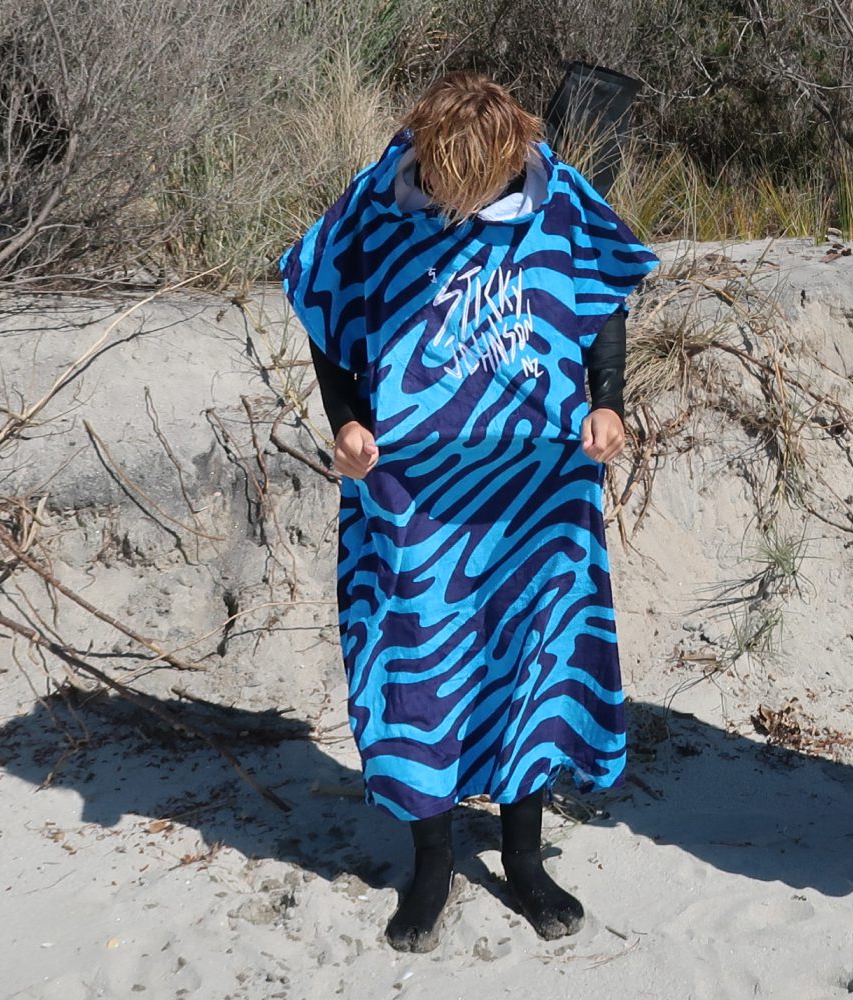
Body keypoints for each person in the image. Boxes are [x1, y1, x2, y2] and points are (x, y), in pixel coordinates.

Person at [279, 71, 658, 953]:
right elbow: (326, 311)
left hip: (537, 486)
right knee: (418, 667)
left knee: (533, 660)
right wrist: (345, 420)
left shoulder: (556, 194)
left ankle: (523, 862)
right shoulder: (377, 205)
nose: (461, 210)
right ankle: (433, 864)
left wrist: (607, 399)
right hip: (413, 493)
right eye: (448, 191)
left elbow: (600, 296)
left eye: (479, 192)